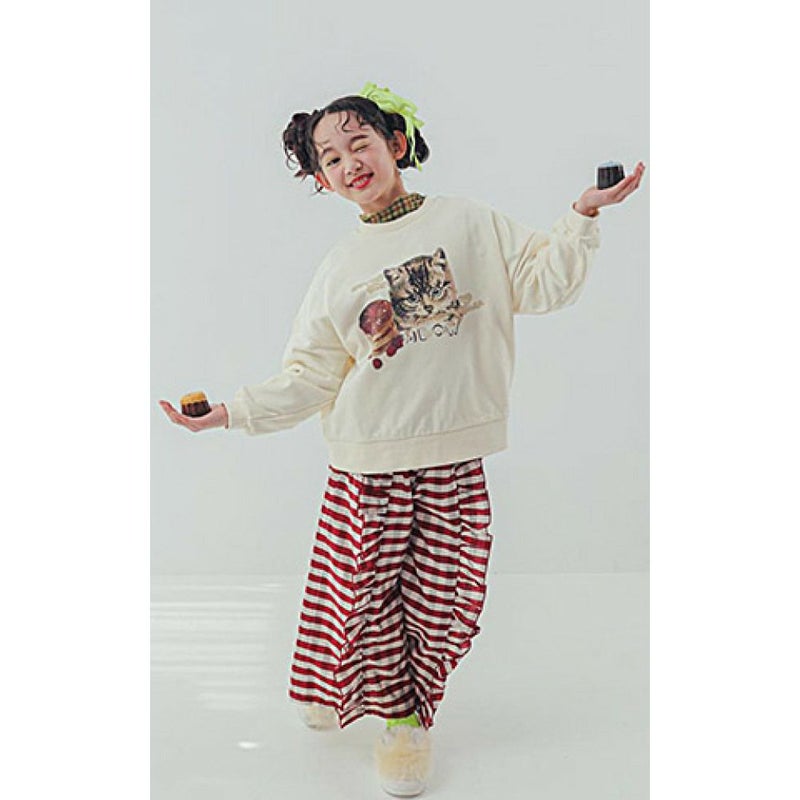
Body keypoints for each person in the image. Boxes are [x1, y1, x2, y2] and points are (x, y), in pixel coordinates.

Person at [159, 81, 645, 797]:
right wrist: (229, 412)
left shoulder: (469, 222)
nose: (349, 163)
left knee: (442, 601)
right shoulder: (339, 268)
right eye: (330, 157)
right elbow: (310, 376)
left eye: (359, 143)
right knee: (360, 595)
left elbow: (545, 285)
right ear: (320, 180)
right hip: (369, 460)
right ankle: (399, 721)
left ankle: (366, 697)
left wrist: (582, 216)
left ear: (395, 144)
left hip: (453, 453)